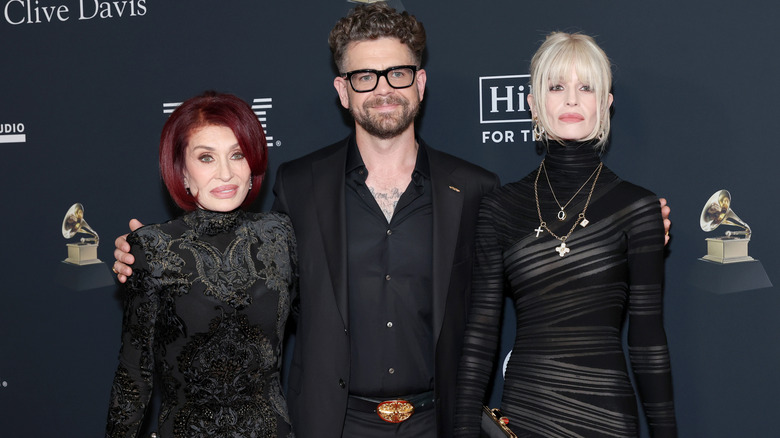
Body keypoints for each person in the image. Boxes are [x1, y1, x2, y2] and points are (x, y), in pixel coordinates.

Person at [111, 5, 672, 438]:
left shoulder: (477, 190)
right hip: (333, 425)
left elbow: (537, 265)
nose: (383, 89)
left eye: (398, 73)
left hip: (439, 421)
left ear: (420, 84)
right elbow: (253, 287)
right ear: (342, 91)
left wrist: (624, 228)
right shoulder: (298, 185)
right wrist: (157, 261)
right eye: (365, 76)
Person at [453, 32, 677, 437]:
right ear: (533, 104)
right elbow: (481, 333)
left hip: (607, 419)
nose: (571, 99)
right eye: (556, 87)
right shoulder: (500, 207)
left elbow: (647, 340)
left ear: (605, 104)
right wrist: (464, 429)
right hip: (526, 416)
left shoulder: (638, 207)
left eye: (586, 87)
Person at [105, 92, 297, 438]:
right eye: (206, 158)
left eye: (237, 155)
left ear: (253, 165)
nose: (226, 173)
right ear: (182, 172)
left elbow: (322, 324)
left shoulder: (279, 234)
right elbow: (134, 374)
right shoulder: (153, 248)